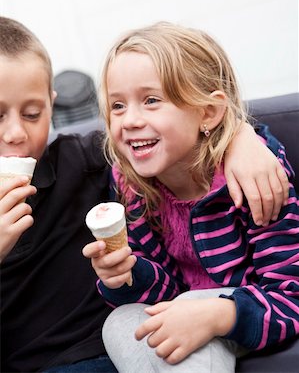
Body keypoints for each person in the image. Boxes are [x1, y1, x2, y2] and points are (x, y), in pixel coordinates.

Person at [83, 22, 299, 373]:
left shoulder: (254, 177)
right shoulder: (132, 187)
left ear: (208, 113)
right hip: (185, 311)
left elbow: (291, 295)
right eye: (117, 106)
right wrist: (128, 273)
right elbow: (166, 292)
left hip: (245, 311)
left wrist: (218, 314)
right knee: (121, 322)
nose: (130, 120)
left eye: (151, 100)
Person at [0, 16, 118, 373]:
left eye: (33, 114)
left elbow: (167, 138)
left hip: (105, 344)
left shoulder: (79, 159)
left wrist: (242, 141)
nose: (16, 133)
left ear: (52, 105)